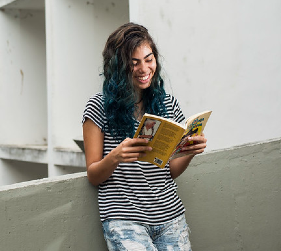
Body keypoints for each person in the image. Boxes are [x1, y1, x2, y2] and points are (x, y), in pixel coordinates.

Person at [82, 23, 207, 250]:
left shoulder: (168, 104)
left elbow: (170, 170)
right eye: (134, 63)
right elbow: (93, 175)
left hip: (170, 215)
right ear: (118, 67)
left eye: (149, 59)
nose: (144, 68)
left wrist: (189, 152)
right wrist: (115, 156)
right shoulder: (98, 107)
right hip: (125, 219)